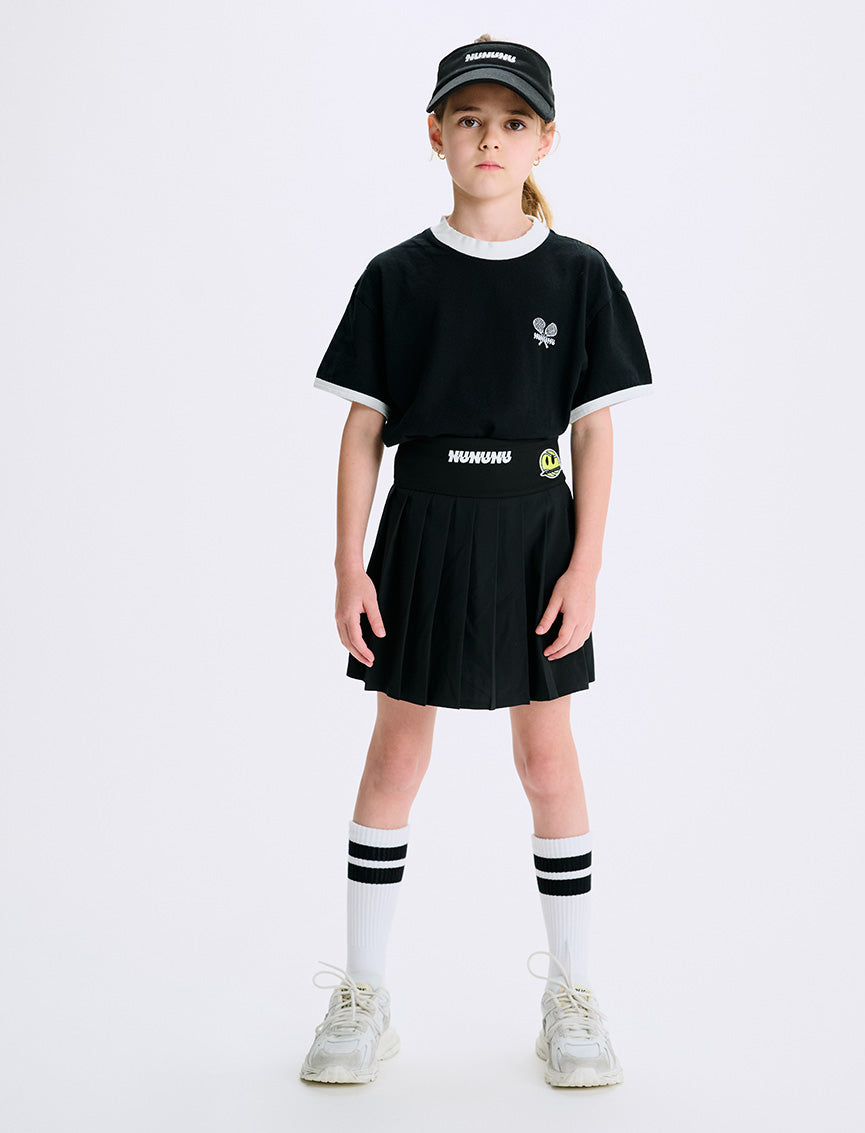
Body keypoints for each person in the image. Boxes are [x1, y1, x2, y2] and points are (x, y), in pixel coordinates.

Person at [300, 36, 652, 1089]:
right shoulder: (396, 276)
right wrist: (349, 565)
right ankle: (363, 993)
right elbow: (363, 430)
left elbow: (593, 432)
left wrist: (586, 568)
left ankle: (572, 996)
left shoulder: (579, 274)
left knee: (547, 760)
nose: (488, 139)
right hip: (423, 528)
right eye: (467, 120)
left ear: (545, 139)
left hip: (535, 532)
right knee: (395, 757)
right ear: (434, 135)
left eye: (511, 122)